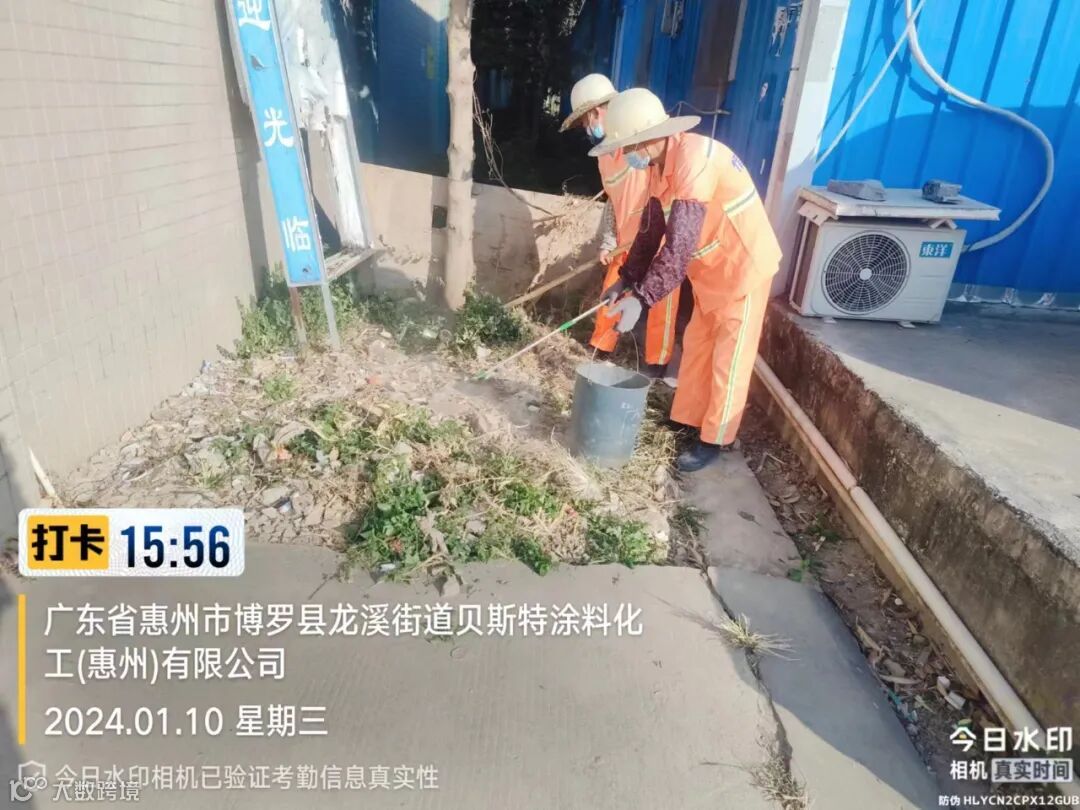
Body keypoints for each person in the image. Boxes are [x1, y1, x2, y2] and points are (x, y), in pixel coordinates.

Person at [589, 88, 782, 473]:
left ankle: (716, 439)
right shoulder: (658, 166)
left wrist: (642, 299)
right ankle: (687, 421)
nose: (626, 154)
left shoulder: (695, 160)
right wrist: (625, 281)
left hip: (742, 268)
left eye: (628, 146)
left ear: (647, 138)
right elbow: (649, 232)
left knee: (729, 358)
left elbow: (677, 246)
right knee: (697, 346)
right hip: (710, 271)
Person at [560, 74, 682, 374]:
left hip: (656, 239)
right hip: (626, 241)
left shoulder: (638, 142)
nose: (588, 128)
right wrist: (609, 240)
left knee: (663, 301)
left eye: (586, 121)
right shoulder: (603, 156)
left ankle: (656, 363)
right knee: (611, 292)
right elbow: (613, 202)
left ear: (597, 111)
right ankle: (600, 346)